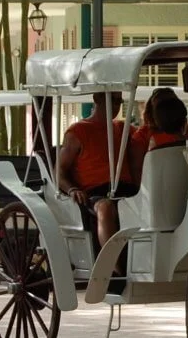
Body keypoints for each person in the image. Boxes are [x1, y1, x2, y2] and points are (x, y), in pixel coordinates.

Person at [56, 91, 141, 249]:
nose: (116, 106)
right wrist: (72, 189)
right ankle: (113, 268)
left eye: (118, 101)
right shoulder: (78, 131)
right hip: (95, 193)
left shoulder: (123, 128)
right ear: (97, 99)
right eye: (112, 100)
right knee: (105, 208)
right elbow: (59, 171)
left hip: (127, 189)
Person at [133, 87, 188, 152]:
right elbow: (137, 168)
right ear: (151, 112)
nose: (167, 111)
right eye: (161, 108)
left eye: (172, 106)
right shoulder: (141, 136)